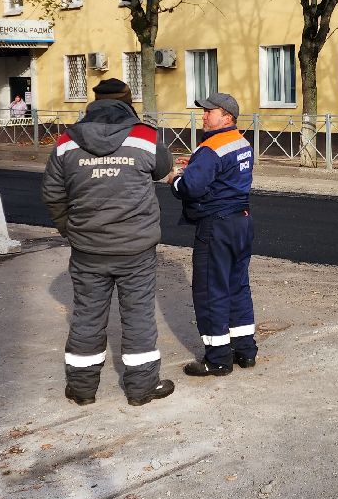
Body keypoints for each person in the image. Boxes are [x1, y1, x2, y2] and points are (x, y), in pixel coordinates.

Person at [41, 78, 174, 407]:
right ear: (127, 102)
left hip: (88, 248)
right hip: (136, 249)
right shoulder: (144, 136)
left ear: (93, 102)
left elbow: (52, 194)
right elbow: (164, 169)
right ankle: (141, 388)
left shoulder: (66, 142)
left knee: (86, 315)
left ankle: (83, 389)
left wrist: (68, 230)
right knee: (139, 315)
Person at [166, 92, 257, 377]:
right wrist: (195, 164)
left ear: (226, 117)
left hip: (216, 225)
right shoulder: (242, 142)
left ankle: (217, 358)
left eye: (209, 111)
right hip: (241, 222)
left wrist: (176, 178)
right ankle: (245, 350)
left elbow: (189, 188)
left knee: (210, 290)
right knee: (237, 285)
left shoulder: (211, 148)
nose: (203, 115)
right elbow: (221, 173)